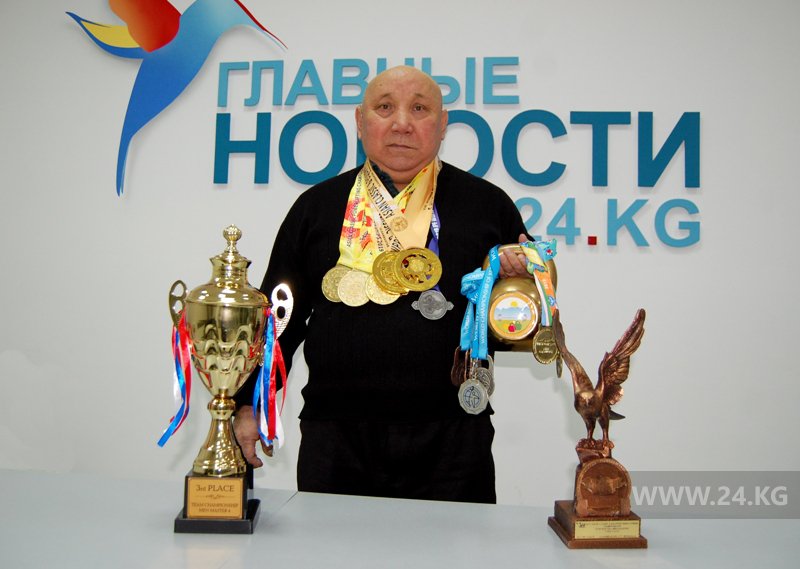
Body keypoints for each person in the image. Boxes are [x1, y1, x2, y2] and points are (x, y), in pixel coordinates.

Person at [234, 65, 531, 504]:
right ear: (360, 121)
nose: (402, 123)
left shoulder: (488, 206)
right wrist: (249, 402)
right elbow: (280, 319)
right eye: (385, 107)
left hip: (452, 439)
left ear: (443, 125)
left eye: (420, 109)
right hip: (337, 437)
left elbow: (514, 331)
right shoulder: (316, 207)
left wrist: (513, 290)